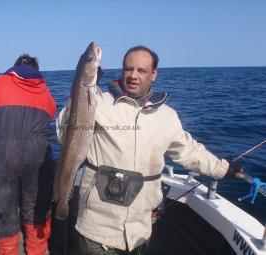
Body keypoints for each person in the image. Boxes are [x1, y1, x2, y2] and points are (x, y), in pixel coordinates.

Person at [56, 46, 243, 255]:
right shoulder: (99, 102)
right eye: (128, 69)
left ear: (154, 74)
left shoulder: (167, 116)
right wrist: (80, 92)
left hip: (140, 234)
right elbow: (66, 136)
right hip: (96, 232)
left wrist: (221, 169)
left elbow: (189, 151)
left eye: (141, 70)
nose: (133, 75)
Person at [0, 54, 56, 255]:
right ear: (36, 69)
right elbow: (50, 116)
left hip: (1, 159)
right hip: (38, 161)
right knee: (36, 220)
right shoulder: (45, 91)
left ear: (14, 67)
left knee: (4, 221)